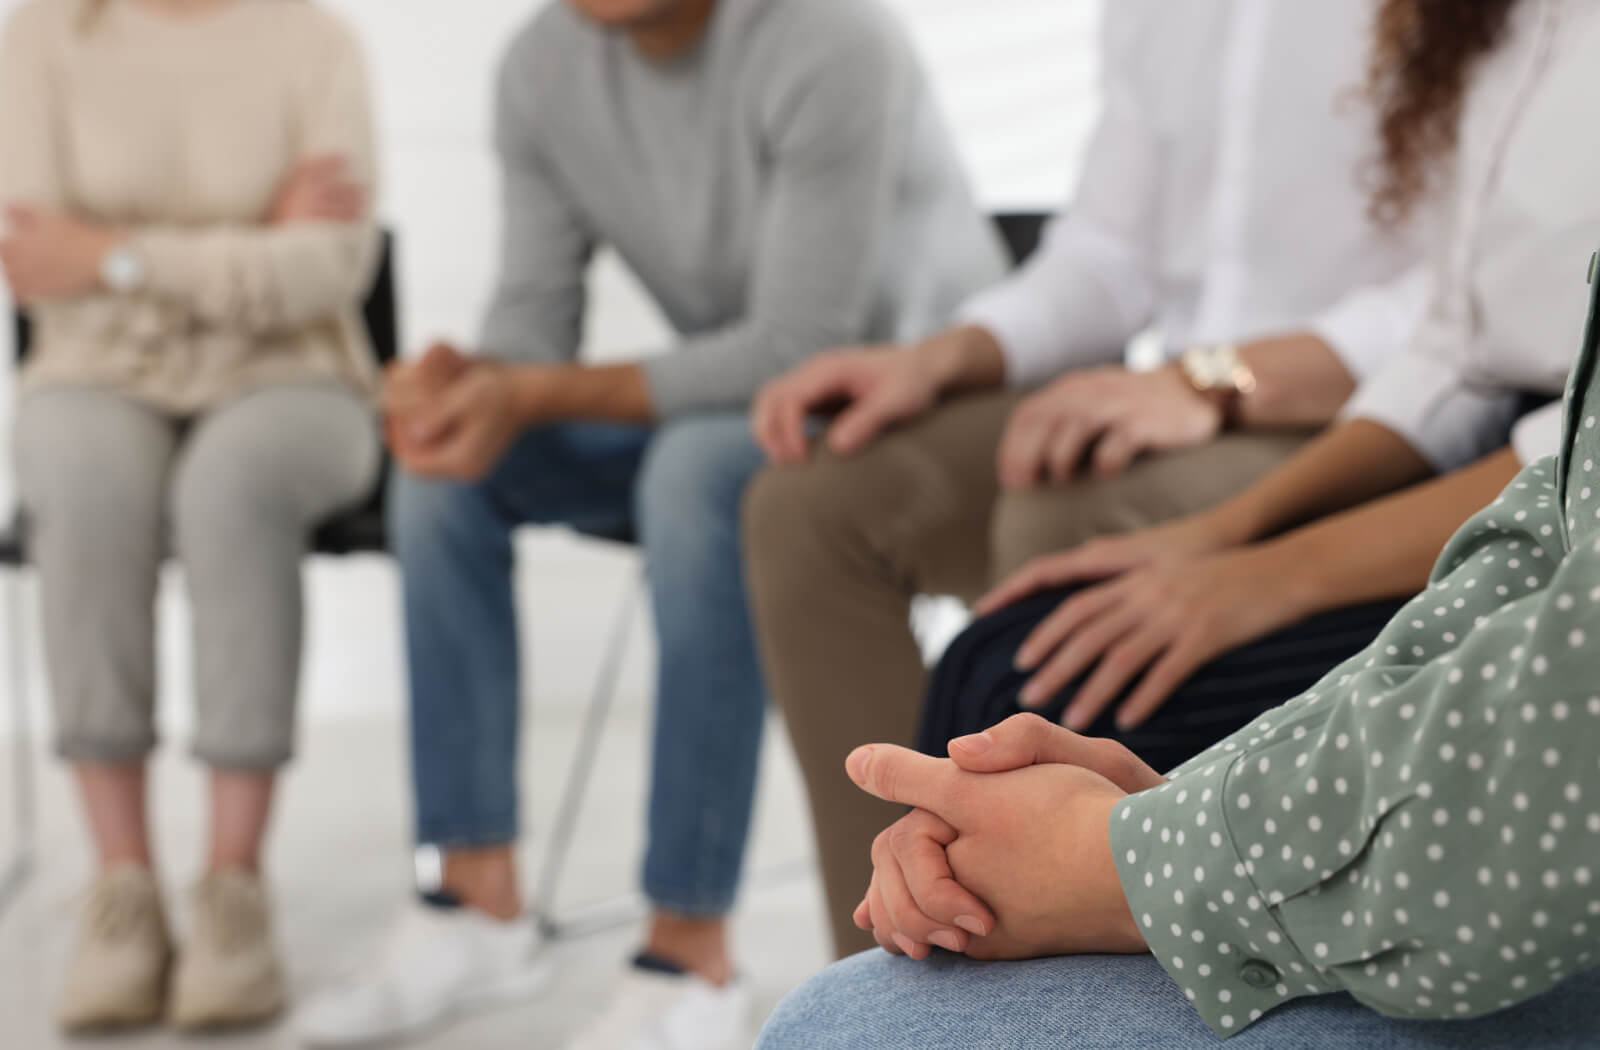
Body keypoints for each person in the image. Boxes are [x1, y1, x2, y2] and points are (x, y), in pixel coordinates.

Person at [292, 1, 1003, 1047]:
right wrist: (473, 387)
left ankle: (688, 953)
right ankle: (473, 896)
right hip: (742, 404)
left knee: (693, 473)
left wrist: (525, 392)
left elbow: (801, 343)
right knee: (448, 473)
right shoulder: (541, 67)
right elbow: (534, 322)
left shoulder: (832, 38)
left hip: (910, 407)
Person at [744, 0, 1429, 956]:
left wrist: (1218, 379)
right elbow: (1105, 257)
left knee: (1068, 514)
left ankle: (1090, 954)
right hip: (1174, 390)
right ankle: (886, 966)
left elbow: (1486, 295)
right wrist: (943, 358)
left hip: (1368, 412)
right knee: (813, 504)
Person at [912, 0, 1583, 794]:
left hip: (1568, 533)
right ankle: (913, 916)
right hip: (1486, 451)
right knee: (993, 655)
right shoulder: (1505, 27)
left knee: (1033, 687)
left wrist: (1266, 575)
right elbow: (1454, 349)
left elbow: (1572, 456)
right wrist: (1222, 536)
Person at [0, 0, 379, 1033]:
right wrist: (251, 243)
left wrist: (117, 258)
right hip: (95, 375)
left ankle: (232, 895)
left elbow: (328, 270)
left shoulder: (316, 45)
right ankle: (122, 894)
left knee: (230, 484)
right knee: (78, 474)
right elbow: (32, 259)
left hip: (297, 379)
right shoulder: (46, 35)